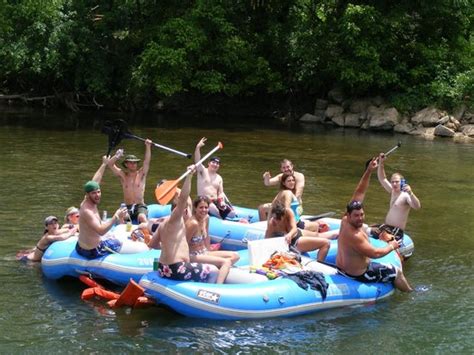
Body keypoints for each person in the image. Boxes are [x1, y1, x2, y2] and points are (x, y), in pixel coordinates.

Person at [336, 159, 413, 292]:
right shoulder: (355, 236)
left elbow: (359, 192)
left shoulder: (344, 221)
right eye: (356, 216)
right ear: (348, 215)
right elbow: (375, 253)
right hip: (358, 274)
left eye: (362, 214)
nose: (360, 218)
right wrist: (391, 246)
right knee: (397, 272)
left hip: (343, 266)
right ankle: (411, 294)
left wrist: (369, 171)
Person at [148, 165, 219, 283]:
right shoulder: (176, 220)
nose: (188, 210)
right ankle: (207, 292)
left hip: (162, 269)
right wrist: (189, 176)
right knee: (214, 270)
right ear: (180, 210)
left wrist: (170, 246)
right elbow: (184, 199)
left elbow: (152, 244)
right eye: (186, 208)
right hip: (177, 269)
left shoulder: (163, 224)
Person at [76, 155, 147, 259]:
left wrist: (104, 164)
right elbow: (101, 231)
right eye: (94, 193)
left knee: (115, 234)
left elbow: (95, 181)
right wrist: (116, 216)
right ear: (87, 194)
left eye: (99, 192)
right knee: (141, 247)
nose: (97, 195)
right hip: (93, 250)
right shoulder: (87, 211)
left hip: (82, 246)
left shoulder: (87, 200)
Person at [185, 195, 240, 283]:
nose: (204, 210)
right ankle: (218, 287)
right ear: (195, 208)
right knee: (226, 262)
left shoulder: (206, 218)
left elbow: (206, 236)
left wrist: (209, 251)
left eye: (206, 207)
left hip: (204, 252)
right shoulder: (193, 223)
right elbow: (183, 242)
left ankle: (218, 268)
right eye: (201, 207)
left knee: (236, 256)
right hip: (192, 255)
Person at [372, 153, 421, 241]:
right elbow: (382, 178)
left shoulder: (406, 195)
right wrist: (381, 163)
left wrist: (411, 193)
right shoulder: (393, 191)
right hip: (386, 227)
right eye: (392, 182)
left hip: (395, 231)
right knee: (364, 229)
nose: (394, 184)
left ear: (402, 182)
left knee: (373, 234)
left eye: (397, 182)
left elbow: (417, 206)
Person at [265, 202, 331, 262]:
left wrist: (289, 235)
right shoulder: (272, 223)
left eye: (280, 219)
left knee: (317, 234)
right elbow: (266, 240)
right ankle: (319, 265)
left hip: (296, 233)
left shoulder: (288, 212)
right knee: (326, 243)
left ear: (284, 214)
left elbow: (294, 228)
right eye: (276, 219)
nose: (278, 221)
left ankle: (336, 234)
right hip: (293, 243)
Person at [107, 139, 152, 224]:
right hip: (127, 207)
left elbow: (147, 161)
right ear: (126, 164)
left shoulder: (141, 174)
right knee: (125, 219)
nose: (133, 164)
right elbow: (110, 164)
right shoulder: (123, 175)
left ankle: (147, 235)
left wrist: (148, 146)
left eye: (135, 163)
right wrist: (117, 156)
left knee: (142, 217)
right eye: (130, 163)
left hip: (140, 206)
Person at [194, 137, 235, 219]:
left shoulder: (219, 178)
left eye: (217, 163)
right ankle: (221, 220)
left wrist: (221, 201)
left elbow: (220, 193)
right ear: (208, 163)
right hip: (203, 201)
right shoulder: (202, 171)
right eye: (213, 162)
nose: (215, 164)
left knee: (232, 214)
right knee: (213, 208)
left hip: (216, 201)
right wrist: (198, 147)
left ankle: (223, 217)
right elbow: (197, 161)